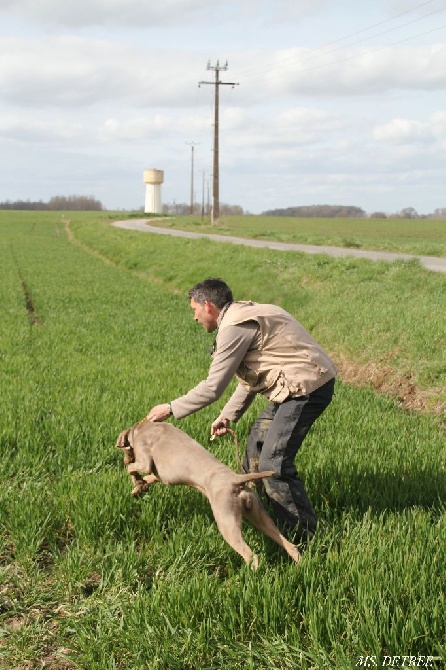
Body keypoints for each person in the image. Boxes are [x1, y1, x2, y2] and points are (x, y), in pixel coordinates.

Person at [147, 278, 337, 543]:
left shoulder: (233, 328)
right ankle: (263, 514)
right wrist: (227, 416)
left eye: (194, 310)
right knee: (255, 449)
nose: (194, 317)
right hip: (295, 387)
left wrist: (169, 408)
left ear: (208, 305)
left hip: (305, 389)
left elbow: (213, 386)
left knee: (275, 464)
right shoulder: (242, 316)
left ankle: (302, 537)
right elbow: (250, 379)